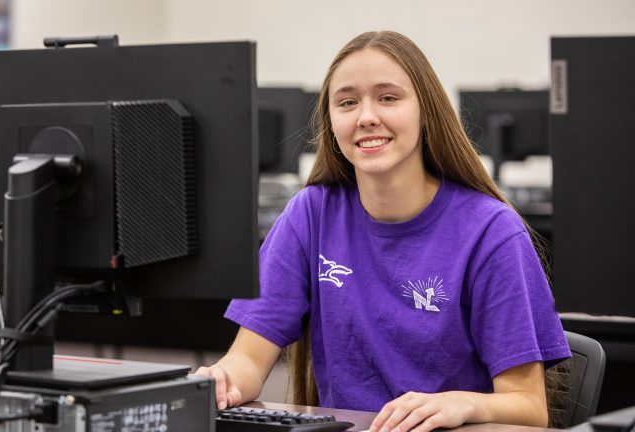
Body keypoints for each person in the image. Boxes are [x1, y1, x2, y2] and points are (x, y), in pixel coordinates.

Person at [195, 30, 570, 432]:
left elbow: (529, 407)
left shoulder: (491, 231)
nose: (367, 116)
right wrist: (221, 381)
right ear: (331, 122)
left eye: (388, 98)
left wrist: (463, 405)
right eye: (347, 102)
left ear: (426, 111)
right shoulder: (312, 213)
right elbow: (249, 360)